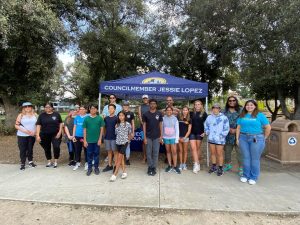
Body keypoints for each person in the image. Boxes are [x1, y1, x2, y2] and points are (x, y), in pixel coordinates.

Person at [236, 100, 271, 185]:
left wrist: (264, 138)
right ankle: (245, 175)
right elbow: (238, 128)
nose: (249, 106)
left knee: (255, 159)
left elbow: (268, 127)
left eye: (251, 105)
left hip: (256, 138)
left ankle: (253, 177)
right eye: (247, 105)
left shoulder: (260, 115)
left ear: (255, 106)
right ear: (245, 106)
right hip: (243, 138)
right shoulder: (242, 115)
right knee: (246, 158)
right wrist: (237, 139)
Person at [204, 103, 230, 176]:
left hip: (220, 139)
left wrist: (221, 136)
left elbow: (226, 128)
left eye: (217, 108)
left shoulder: (224, 117)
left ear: (219, 109)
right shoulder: (209, 117)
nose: (215, 109)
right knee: (213, 153)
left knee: (219, 154)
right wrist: (207, 132)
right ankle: (214, 166)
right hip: (211, 138)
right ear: (212, 109)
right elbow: (206, 125)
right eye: (214, 108)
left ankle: (220, 168)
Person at [36, 102, 63, 168]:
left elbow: (61, 123)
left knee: (56, 147)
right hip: (44, 135)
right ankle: (49, 161)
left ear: (52, 107)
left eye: (49, 107)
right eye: (46, 107)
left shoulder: (56, 114)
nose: (47, 108)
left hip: (56, 134)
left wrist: (59, 132)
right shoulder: (41, 115)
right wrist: (37, 135)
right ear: (44, 108)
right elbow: (38, 125)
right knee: (46, 148)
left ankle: (55, 161)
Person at [223, 96, 243, 175]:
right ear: (228, 102)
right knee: (227, 152)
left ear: (236, 101)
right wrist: (228, 129)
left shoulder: (241, 111)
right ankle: (228, 165)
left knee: (240, 153)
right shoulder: (224, 111)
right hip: (227, 135)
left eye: (233, 100)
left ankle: (241, 168)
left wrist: (237, 130)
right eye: (230, 101)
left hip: (239, 135)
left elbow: (244, 122)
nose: (232, 102)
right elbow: (221, 122)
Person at [143, 99, 163, 176]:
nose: (152, 105)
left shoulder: (159, 113)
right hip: (148, 136)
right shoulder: (145, 114)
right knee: (148, 153)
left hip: (157, 137)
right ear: (149, 105)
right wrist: (144, 137)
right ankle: (150, 167)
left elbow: (161, 125)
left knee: (155, 153)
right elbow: (144, 125)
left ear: (156, 105)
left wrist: (161, 136)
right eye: (151, 103)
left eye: (154, 103)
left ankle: (154, 167)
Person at [110, 111, 132, 182]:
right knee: (121, 158)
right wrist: (116, 127)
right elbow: (116, 133)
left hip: (124, 143)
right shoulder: (117, 124)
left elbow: (130, 133)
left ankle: (115, 174)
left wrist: (128, 140)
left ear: (124, 116)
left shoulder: (128, 124)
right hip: (118, 143)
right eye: (119, 116)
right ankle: (124, 172)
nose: (121, 117)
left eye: (122, 115)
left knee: (119, 158)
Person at [83, 104, 104, 176]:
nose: (93, 110)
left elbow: (102, 129)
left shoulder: (100, 118)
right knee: (89, 155)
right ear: (89, 109)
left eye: (94, 108)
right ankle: (89, 168)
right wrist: (85, 140)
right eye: (91, 108)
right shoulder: (86, 119)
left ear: (97, 110)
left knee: (96, 155)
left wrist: (100, 139)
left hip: (96, 141)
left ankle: (96, 168)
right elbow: (84, 130)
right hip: (89, 141)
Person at [15, 102, 37, 170]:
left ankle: (30, 161)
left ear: (31, 107)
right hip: (22, 135)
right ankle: (22, 163)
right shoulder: (21, 115)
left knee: (30, 149)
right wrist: (26, 131)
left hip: (32, 135)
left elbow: (38, 125)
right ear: (23, 108)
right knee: (23, 150)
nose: (27, 108)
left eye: (29, 106)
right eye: (25, 107)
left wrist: (35, 132)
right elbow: (16, 125)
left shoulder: (35, 115)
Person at [189, 100, 207, 173]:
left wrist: (205, 132)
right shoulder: (191, 113)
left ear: (201, 105)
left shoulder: (204, 114)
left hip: (200, 133)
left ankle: (197, 162)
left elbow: (208, 124)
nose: (197, 106)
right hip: (192, 133)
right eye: (196, 104)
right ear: (194, 105)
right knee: (193, 148)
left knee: (197, 148)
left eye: (199, 104)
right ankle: (196, 164)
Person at [163, 106, 180, 174]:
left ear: (172, 111)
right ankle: (169, 165)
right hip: (165, 137)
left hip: (173, 137)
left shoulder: (175, 119)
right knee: (168, 151)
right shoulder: (163, 118)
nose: (169, 111)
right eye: (167, 110)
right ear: (165, 111)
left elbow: (177, 129)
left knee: (174, 152)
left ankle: (175, 166)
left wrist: (177, 139)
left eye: (170, 110)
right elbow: (161, 128)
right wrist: (161, 138)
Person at [102, 104, 118, 172]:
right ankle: (110, 165)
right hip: (107, 137)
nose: (110, 110)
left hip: (114, 138)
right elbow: (104, 127)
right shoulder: (106, 118)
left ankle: (116, 166)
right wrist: (104, 135)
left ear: (114, 110)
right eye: (109, 108)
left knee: (115, 152)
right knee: (109, 152)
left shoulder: (117, 118)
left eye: (112, 108)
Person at [72, 106, 88, 171]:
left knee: (86, 150)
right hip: (77, 136)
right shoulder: (77, 117)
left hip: (85, 137)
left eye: (82, 109)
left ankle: (87, 163)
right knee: (77, 150)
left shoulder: (87, 117)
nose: (81, 110)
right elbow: (74, 127)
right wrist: (73, 136)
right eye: (80, 109)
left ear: (85, 110)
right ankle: (78, 162)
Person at [178, 106, 192, 171]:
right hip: (179, 137)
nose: (185, 111)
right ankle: (180, 164)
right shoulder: (178, 118)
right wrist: (178, 137)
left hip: (185, 137)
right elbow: (176, 128)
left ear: (188, 111)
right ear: (182, 110)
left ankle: (184, 164)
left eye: (186, 110)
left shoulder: (189, 119)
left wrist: (184, 138)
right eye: (183, 110)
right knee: (180, 151)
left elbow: (189, 130)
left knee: (185, 151)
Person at [122, 101, 135, 165]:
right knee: (121, 145)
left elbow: (132, 123)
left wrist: (133, 132)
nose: (125, 106)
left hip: (128, 132)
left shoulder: (131, 113)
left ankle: (127, 159)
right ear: (122, 106)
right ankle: (121, 158)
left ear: (128, 106)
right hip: (121, 132)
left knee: (128, 145)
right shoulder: (120, 113)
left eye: (127, 105)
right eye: (124, 105)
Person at [138, 94, 150, 163]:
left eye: (146, 98)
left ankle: (149, 157)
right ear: (143, 99)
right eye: (144, 98)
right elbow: (139, 115)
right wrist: (142, 123)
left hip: (150, 127)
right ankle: (144, 157)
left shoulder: (151, 106)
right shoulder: (140, 107)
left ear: (148, 99)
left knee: (150, 142)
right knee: (144, 142)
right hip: (142, 127)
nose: (145, 99)